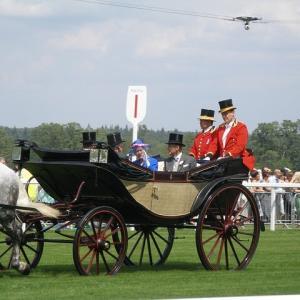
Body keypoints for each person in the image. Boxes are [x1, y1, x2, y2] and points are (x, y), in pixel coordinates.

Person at [207, 99, 255, 170]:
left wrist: (227, 155)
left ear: (233, 112)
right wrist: (209, 156)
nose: (224, 116)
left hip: (236, 159)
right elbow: (214, 144)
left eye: (226, 113)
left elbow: (240, 146)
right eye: (223, 114)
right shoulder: (220, 128)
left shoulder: (241, 127)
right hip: (221, 160)